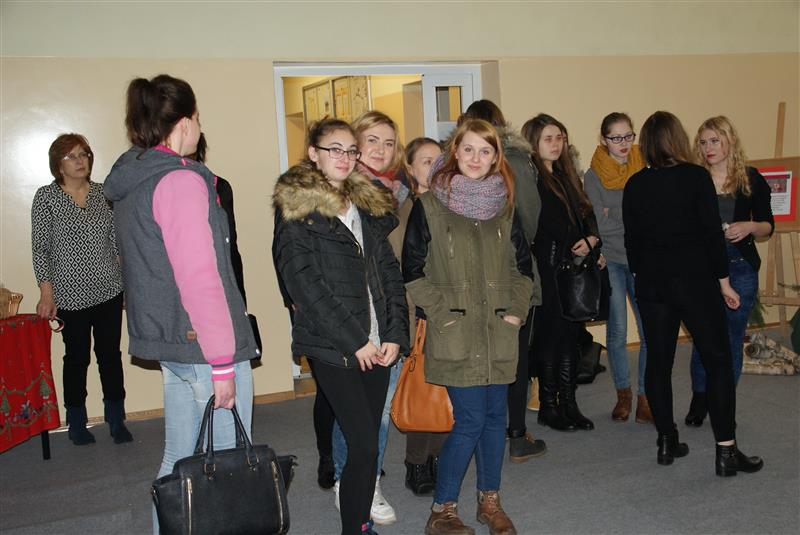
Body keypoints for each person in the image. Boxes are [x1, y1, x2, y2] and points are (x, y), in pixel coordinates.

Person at [103, 74, 257, 533]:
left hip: (174, 341)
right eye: (198, 118)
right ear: (185, 122)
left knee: (179, 460)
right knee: (228, 469)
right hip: (205, 347)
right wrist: (223, 364)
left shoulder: (135, 179)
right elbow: (201, 280)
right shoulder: (180, 181)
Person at [273, 118, 409, 535]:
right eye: (335, 149)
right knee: (364, 444)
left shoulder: (367, 205)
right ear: (313, 153)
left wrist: (395, 334)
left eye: (351, 150)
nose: (345, 157)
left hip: (377, 341)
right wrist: (355, 341)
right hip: (333, 345)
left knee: (367, 452)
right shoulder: (298, 209)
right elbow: (305, 285)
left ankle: (360, 524)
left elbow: (389, 273)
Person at [404, 118, 534, 535]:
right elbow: (411, 273)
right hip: (455, 333)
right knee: (471, 421)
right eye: (469, 149)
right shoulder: (429, 206)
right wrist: (441, 313)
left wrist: (516, 313)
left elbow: (523, 270)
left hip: (499, 332)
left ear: (496, 157)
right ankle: (442, 509)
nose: (476, 158)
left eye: (486, 150)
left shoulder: (505, 207)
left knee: (496, 419)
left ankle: (489, 501)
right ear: (454, 152)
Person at [622, 110, 763, 476]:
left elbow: (632, 242)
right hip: (695, 284)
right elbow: (712, 236)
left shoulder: (635, 184)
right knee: (718, 361)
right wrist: (724, 282)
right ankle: (726, 452)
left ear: (645, 145)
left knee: (658, 363)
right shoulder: (695, 177)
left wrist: (644, 276)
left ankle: (666, 440)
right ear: (678, 140)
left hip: (652, 286)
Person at [330, 110, 407, 524]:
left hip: (388, 315)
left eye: (389, 143)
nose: (381, 150)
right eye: (372, 140)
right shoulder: (341, 193)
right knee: (357, 412)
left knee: (379, 408)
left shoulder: (396, 194)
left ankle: (365, 477)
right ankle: (352, 480)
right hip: (353, 321)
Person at [459, 100, 547, 462]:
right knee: (514, 356)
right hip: (511, 269)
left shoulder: (459, 164)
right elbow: (530, 219)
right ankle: (515, 433)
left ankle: (491, 431)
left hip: (485, 274)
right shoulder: (516, 159)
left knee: (495, 355)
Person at [31, 133, 131, 446]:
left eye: (84, 154)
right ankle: (76, 422)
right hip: (69, 296)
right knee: (76, 359)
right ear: (58, 164)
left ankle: (116, 419)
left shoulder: (104, 194)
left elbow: (117, 244)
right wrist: (47, 294)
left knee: (110, 356)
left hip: (109, 290)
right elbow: (41, 249)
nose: (80, 161)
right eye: (72, 156)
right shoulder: (46, 198)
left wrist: (127, 286)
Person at [683, 116, 775, 427]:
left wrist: (749, 226)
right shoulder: (693, 180)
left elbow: (768, 225)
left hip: (740, 267)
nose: (708, 148)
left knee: (732, 337)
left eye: (714, 141)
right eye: (703, 142)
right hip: (703, 269)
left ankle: (724, 400)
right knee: (705, 336)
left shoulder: (750, 178)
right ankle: (700, 397)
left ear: (729, 141)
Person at [523, 113, 601, 432]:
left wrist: (592, 239)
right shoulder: (532, 179)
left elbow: (584, 213)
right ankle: (549, 405)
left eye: (559, 138)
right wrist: (579, 241)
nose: (555, 144)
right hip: (548, 270)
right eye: (548, 139)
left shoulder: (566, 175)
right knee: (550, 339)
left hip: (572, 269)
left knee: (571, 337)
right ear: (534, 142)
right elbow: (548, 224)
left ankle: (569, 403)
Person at [583, 112, 653, 423]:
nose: (623, 143)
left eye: (628, 136)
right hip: (610, 258)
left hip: (642, 258)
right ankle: (623, 394)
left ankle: (645, 397)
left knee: (649, 329)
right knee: (618, 331)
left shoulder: (645, 168)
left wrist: (616, 212)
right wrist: (629, 215)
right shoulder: (593, 175)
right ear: (603, 140)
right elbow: (600, 223)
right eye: (616, 138)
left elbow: (651, 215)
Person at [401, 137, 450, 496]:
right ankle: (417, 462)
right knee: (423, 389)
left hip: (450, 308)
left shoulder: (450, 205)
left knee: (447, 389)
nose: (434, 167)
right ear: (410, 168)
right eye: (425, 161)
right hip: (417, 310)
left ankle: (436, 458)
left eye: (439, 160)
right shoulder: (404, 210)